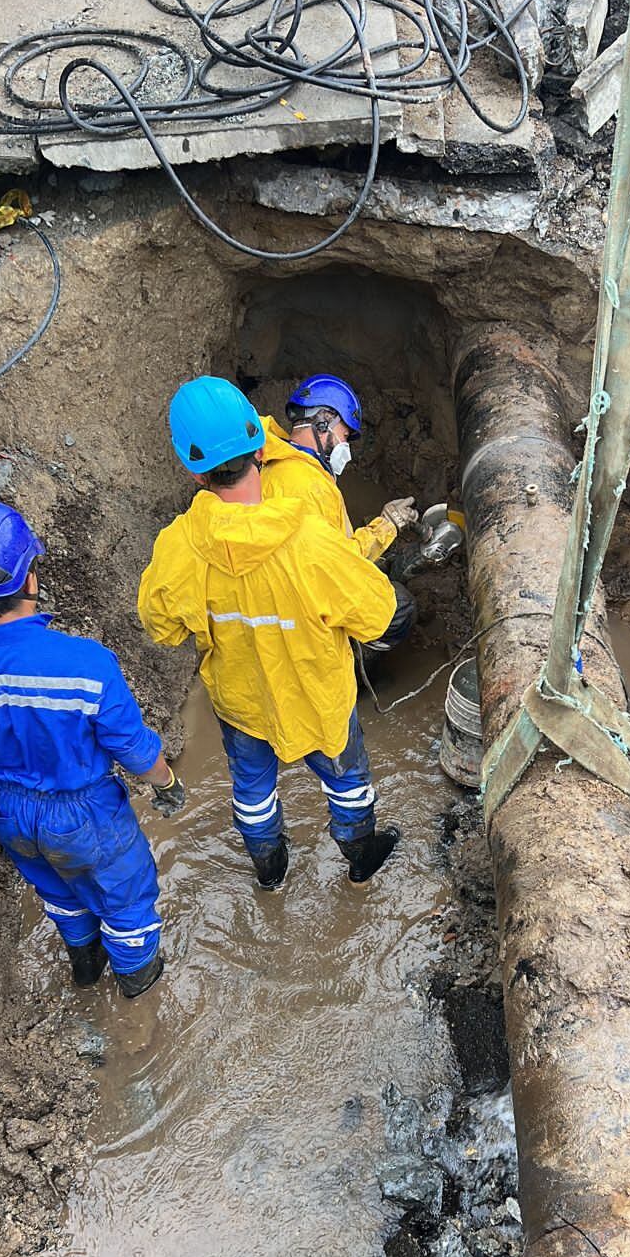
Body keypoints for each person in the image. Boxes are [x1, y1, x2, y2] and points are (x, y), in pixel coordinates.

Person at [138, 376, 402, 889]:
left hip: (241, 700)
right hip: (317, 696)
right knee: (347, 781)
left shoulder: (178, 547)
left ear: (195, 473)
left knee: (253, 792)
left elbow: (162, 628)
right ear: (262, 448)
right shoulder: (307, 537)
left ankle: (270, 870)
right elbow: (378, 614)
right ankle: (359, 855)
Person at [0, 502, 184, 997]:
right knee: (127, 902)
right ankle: (138, 1001)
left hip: (9, 811)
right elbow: (134, 748)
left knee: (59, 893)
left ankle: (85, 972)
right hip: (83, 814)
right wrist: (167, 783)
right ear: (30, 579)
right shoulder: (84, 662)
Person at [259, 374, 418, 659]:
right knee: (400, 608)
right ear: (323, 423)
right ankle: (356, 659)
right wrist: (387, 525)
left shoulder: (285, 466)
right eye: (345, 436)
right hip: (304, 618)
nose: (346, 448)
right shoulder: (305, 486)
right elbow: (336, 565)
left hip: (285, 602)